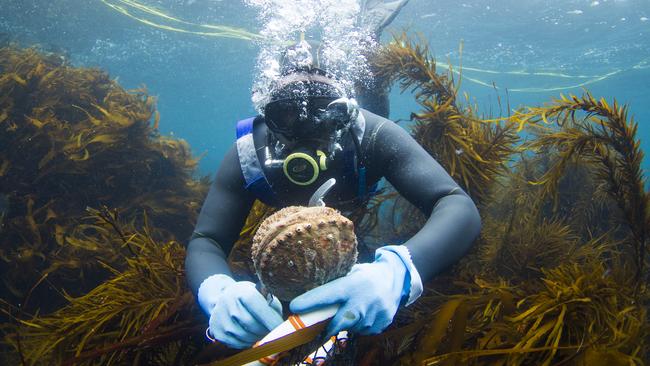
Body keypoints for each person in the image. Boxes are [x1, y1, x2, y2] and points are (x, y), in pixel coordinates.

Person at [184, 2, 482, 350]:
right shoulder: (251, 153)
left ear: (346, 113)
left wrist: (398, 272)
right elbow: (207, 240)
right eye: (287, 115)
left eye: (329, 114)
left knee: (374, 94)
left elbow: (456, 205)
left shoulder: (373, 135)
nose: (307, 129)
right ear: (267, 114)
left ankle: (367, 34)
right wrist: (218, 292)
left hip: (361, 152)